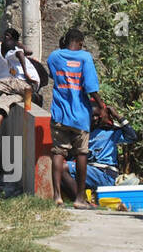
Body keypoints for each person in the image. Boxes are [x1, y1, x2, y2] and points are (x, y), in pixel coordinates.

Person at [46, 28, 113, 208]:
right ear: (81, 43)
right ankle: (79, 199)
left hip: (59, 113)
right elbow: (91, 88)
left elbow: (53, 75)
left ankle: (57, 196)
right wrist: (102, 107)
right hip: (80, 116)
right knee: (81, 153)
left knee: (58, 152)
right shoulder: (85, 58)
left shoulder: (54, 57)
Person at [63, 104, 139, 199]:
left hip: (105, 173)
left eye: (97, 116)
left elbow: (133, 137)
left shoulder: (110, 131)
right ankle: (82, 199)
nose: (95, 119)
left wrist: (118, 116)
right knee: (59, 169)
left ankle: (80, 200)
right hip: (87, 171)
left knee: (63, 167)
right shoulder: (81, 133)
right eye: (91, 116)